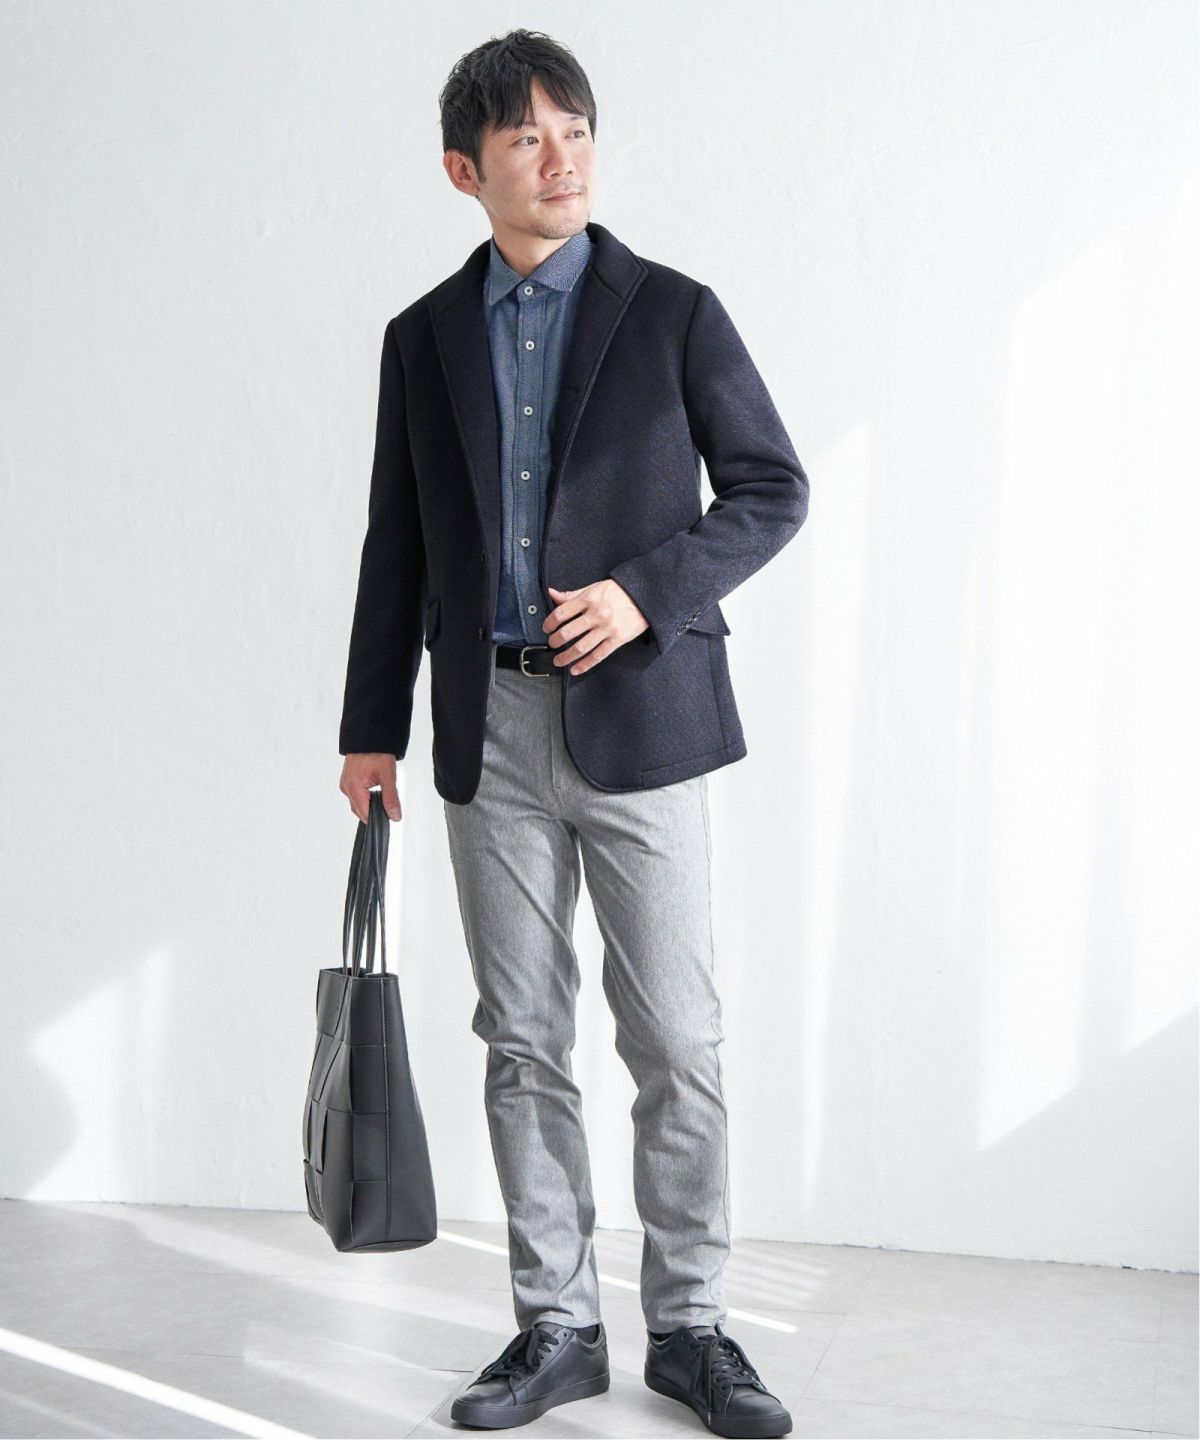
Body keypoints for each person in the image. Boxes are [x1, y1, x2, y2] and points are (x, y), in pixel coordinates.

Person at [337, 27, 808, 1437]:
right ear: (464, 170)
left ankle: (693, 1329)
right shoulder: (422, 338)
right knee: (523, 1038)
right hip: (485, 726)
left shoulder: (674, 312)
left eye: (576, 130)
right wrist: (370, 728)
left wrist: (643, 593)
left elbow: (771, 490)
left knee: (678, 1040)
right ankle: (555, 1326)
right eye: (527, 138)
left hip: (644, 717)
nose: (561, 159)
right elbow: (397, 543)